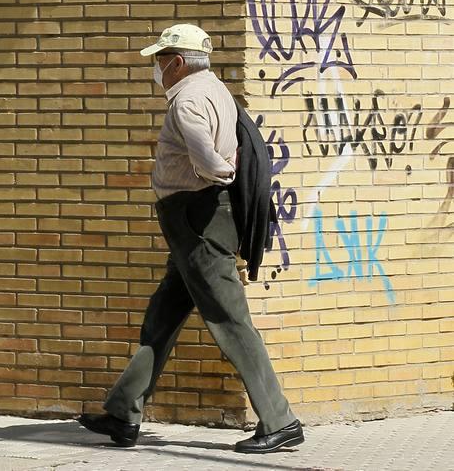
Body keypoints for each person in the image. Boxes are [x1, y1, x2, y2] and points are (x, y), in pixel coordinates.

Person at [78, 24, 303, 454]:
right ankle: (124, 412)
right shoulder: (216, 88)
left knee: (230, 321)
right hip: (193, 224)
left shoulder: (187, 101)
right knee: (162, 317)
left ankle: (280, 420)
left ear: (177, 63)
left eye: (160, 61)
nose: (157, 68)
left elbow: (209, 162)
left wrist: (222, 172)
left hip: (198, 221)